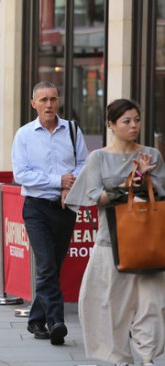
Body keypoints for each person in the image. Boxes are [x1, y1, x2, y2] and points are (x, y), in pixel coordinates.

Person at [65, 99, 165, 366]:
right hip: (112, 240)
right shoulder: (98, 157)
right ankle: (121, 358)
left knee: (152, 304)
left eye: (137, 120)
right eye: (126, 121)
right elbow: (92, 195)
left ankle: (148, 358)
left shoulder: (152, 155)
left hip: (149, 242)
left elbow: (162, 194)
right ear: (111, 125)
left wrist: (144, 178)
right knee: (109, 304)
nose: (134, 126)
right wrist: (127, 184)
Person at [11, 81, 88, 345]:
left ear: (59, 101)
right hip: (36, 209)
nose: (48, 104)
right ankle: (56, 320)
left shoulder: (73, 130)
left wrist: (71, 183)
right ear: (33, 104)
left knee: (53, 268)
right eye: (42, 100)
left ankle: (35, 320)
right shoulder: (24, 135)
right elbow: (21, 174)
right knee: (45, 265)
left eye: (53, 99)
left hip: (66, 209)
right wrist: (59, 180)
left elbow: (83, 164)